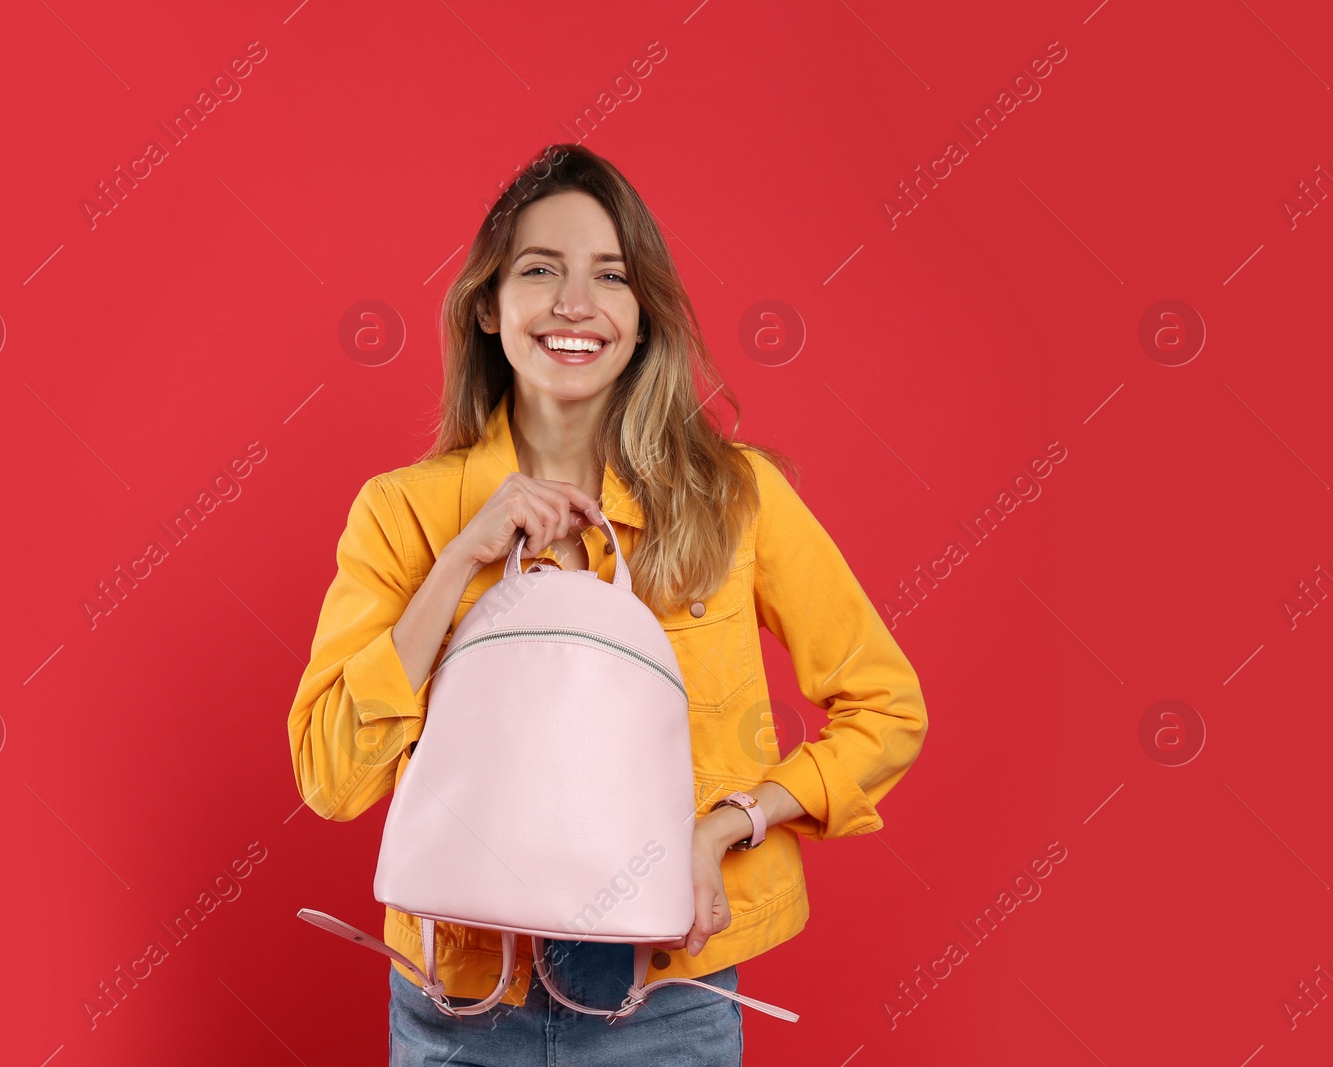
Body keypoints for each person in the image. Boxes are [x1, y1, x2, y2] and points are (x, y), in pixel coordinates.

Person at [287, 143, 929, 1066]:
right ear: (486, 304)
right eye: (540, 270)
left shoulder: (733, 499)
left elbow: (888, 707)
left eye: (611, 276)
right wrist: (462, 557)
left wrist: (728, 824)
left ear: (643, 317)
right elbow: (330, 777)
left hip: (668, 1001)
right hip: (458, 1005)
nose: (574, 304)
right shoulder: (404, 512)